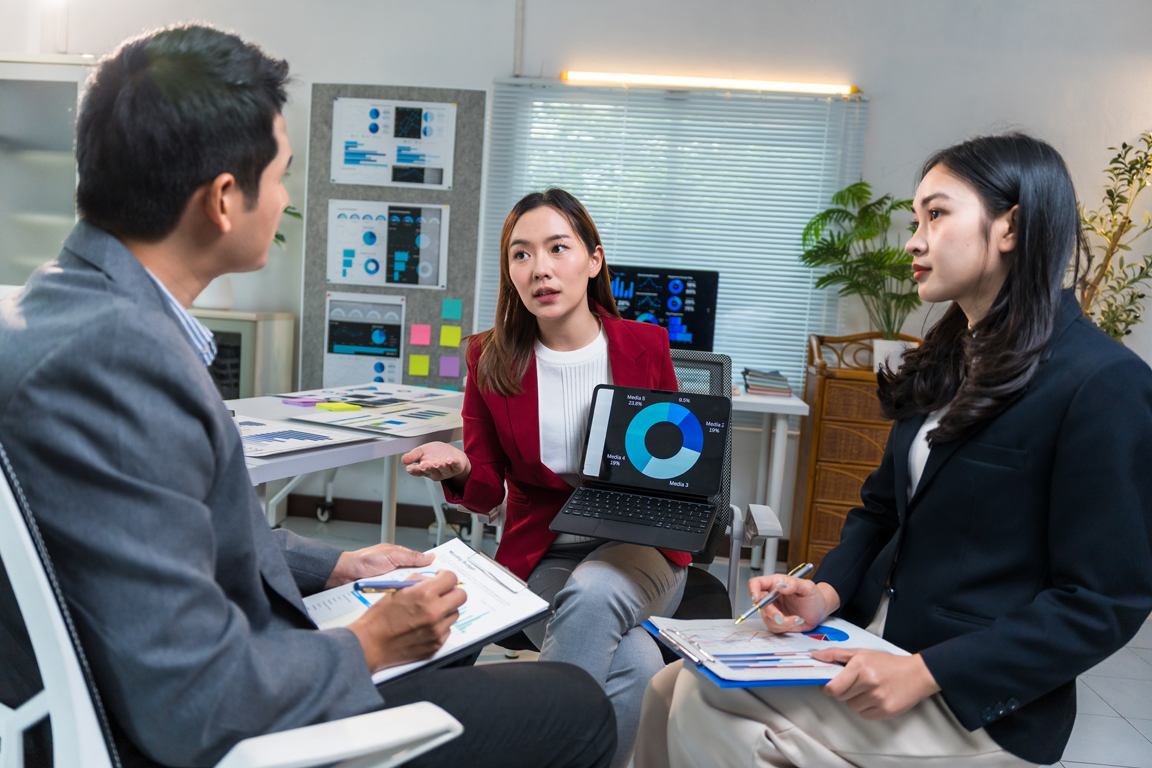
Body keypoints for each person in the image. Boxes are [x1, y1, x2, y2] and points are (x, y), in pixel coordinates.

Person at [0, 25, 616, 768]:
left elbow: (171, 531)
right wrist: (365, 643)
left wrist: (337, 567)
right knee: (575, 707)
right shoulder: (117, 365)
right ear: (224, 200)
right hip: (222, 730)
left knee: (451, 633)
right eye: (284, 174)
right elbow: (191, 702)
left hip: (211, 667)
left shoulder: (66, 309)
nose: (287, 196)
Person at [634, 133, 1152, 768]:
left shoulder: (1102, 383)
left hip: (973, 697)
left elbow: (1103, 602)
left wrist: (929, 671)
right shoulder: (947, 359)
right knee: (667, 687)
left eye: (936, 214)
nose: (913, 239)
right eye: (916, 219)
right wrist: (825, 593)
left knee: (699, 701)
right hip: (873, 642)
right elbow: (881, 511)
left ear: (1011, 227)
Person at [403, 188, 691, 768]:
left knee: (594, 592)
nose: (540, 268)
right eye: (521, 254)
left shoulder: (644, 344)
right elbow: (485, 489)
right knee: (634, 662)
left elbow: (673, 458)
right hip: (545, 555)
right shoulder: (490, 358)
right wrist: (461, 468)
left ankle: (535, 748)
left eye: (558, 248)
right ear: (510, 273)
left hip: (642, 548)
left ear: (594, 259)